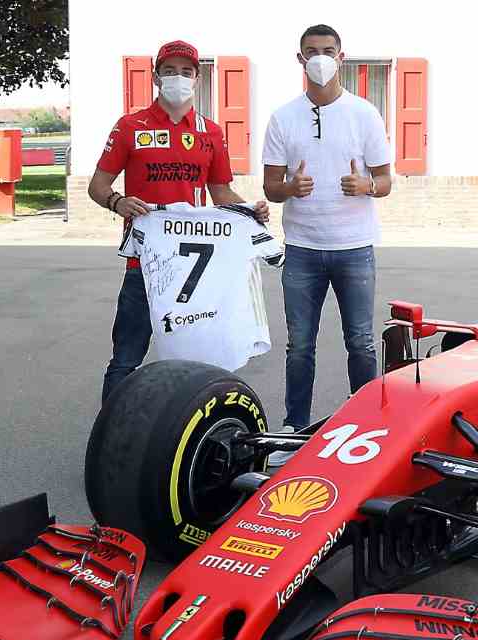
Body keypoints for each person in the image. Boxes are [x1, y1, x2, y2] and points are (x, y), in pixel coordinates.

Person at [88, 39, 269, 403]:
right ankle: (110, 436)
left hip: (195, 268)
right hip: (144, 261)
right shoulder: (129, 126)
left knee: (197, 357)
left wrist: (251, 211)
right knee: (126, 358)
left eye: (185, 72)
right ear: (156, 78)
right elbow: (97, 186)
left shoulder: (211, 132)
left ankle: (187, 431)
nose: (177, 79)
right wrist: (118, 202)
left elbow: (221, 194)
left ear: (197, 80)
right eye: (169, 71)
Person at [262, 23, 392, 451]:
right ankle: (294, 430)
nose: (320, 58)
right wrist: (289, 190)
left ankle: (366, 425)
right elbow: (270, 188)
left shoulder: (364, 113)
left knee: (361, 342)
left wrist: (366, 187)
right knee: (299, 346)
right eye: (311, 51)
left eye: (328, 50)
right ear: (300, 59)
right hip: (302, 248)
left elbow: (385, 181)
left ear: (341, 56)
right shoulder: (283, 117)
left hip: (354, 246)